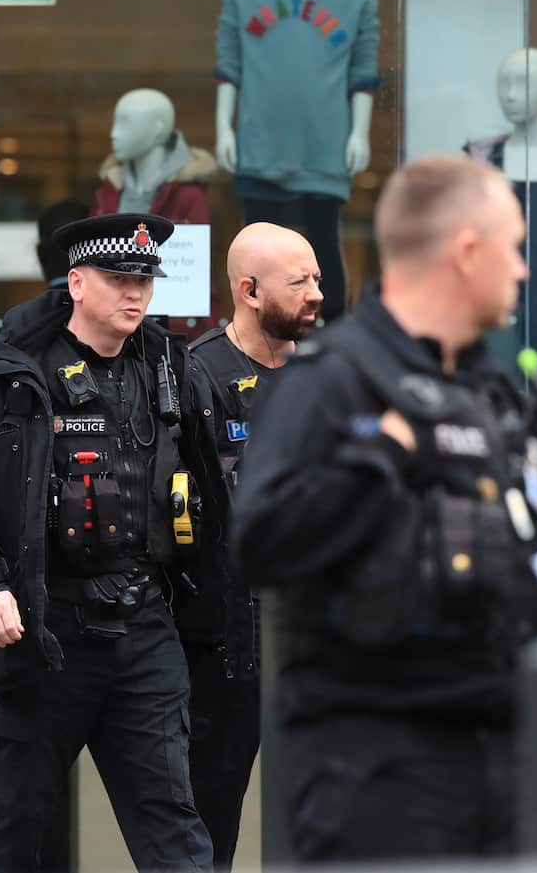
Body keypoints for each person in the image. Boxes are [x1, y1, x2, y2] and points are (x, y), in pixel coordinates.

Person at [234, 154, 537, 864]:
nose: (522, 270)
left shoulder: (489, 389)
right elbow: (262, 542)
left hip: (500, 764)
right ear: (467, 252)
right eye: (513, 247)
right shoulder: (335, 380)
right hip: (377, 781)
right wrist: (381, 458)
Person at [0, 212, 228, 873]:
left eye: (144, 279)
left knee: (174, 827)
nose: (135, 292)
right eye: (117, 278)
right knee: (18, 823)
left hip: (145, 627)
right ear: (77, 282)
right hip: (51, 633)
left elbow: (211, 488)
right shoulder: (18, 377)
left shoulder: (170, 368)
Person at [182, 222, 323, 870]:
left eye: (317, 278)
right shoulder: (198, 374)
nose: (317, 293)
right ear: (249, 290)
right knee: (213, 821)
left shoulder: (332, 372)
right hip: (227, 646)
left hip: (320, 636)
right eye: (300, 283)